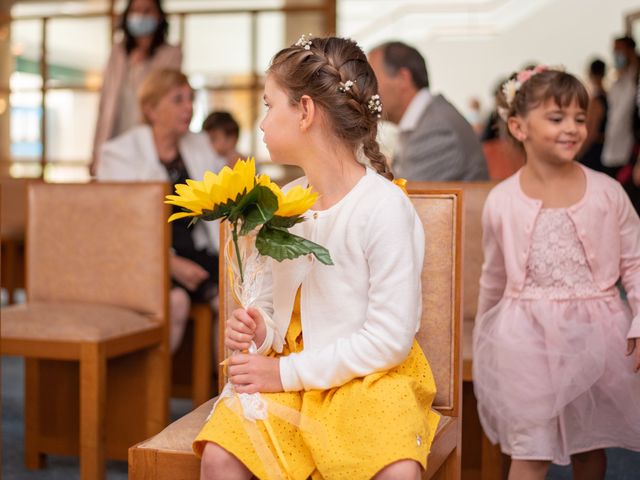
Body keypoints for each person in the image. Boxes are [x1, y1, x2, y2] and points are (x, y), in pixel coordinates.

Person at [194, 36, 440, 480]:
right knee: (219, 457)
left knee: (396, 471)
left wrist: (282, 373)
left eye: (270, 106)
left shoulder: (384, 208)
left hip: (366, 379)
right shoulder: (283, 204)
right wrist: (261, 328)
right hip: (289, 372)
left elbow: (387, 340)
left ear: (305, 111)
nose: (263, 123)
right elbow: (275, 310)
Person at [473, 66, 640, 480]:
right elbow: (493, 277)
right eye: (556, 118)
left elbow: (635, 262)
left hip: (596, 337)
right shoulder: (502, 201)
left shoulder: (607, 192)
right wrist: (485, 337)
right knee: (530, 450)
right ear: (518, 125)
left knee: (589, 444)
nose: (572, 129)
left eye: (579, 119)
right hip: (524, 339)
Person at [97, 69, 225, 353]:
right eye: (178, 100)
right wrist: (169, 263)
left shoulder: (199, 145)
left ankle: (228, 392)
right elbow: (117, 227)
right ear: (151, 109)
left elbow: (223, 197)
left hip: (195, 252)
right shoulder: (119, 153)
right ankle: (149, 394)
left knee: (236, 303)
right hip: (141, 258)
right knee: (176, 302)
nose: (188, 107)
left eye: (190, 99)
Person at [368, 41, 488, 181]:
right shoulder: (426, 119)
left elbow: (405, 197)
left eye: (371, 79)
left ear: (403, 78)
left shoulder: (438, 129)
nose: (366, 90)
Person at [91, 0, 182, 175]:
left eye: (147, 11)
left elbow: (163, 93)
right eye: (135, 10)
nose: (140, 16)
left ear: (159, 16)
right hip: (115, 138)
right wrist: (95, 152)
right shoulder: (117, 53)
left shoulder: (170, 54)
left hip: (150, 143)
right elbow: (104, 107)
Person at [601, 36, 639, 176]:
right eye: (614, 51)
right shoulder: (619, 79)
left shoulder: (635, 77)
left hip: (630, 149)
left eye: (619, 50)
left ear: (630, 50)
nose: (616, 55)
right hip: (613, 148)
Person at [578, 59, 608, 172]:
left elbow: (591, 132)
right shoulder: (608, 95)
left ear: (590, 74)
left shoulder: (596, 101)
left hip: (594, 152)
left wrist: (579, 153)